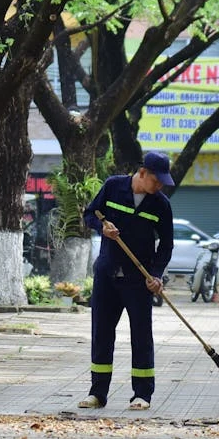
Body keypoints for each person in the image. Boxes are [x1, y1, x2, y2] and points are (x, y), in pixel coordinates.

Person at [79, 152, 175, 410]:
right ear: (142, 173)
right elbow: (90, 214)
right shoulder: (113, 187)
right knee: (102, 334)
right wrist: (103, 228)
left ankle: (142, 395)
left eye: (162, 183)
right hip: (107, 276)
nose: (159, 186)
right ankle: (97, 393)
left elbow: (166, 246)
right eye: (156, 180)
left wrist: (156, 274)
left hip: (138, 280)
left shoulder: (161, 205)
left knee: (141, 337)